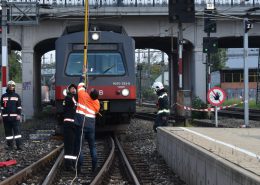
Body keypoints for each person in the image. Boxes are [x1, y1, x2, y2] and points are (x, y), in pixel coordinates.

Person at [74, 73, 100, 173]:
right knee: (92, 146)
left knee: (80, 147)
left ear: (90, 93)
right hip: (91, 127)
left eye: (91, 90)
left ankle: (79, 168)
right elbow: (97, 111)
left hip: (80, 125)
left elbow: (80, 85)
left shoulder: (82, 95)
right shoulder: (97, 102)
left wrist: (83, 75)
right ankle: (94, 167)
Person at [0, 80, 22, 150]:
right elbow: (1, 107)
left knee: (17, 133)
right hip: (6, 118)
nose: (11, 87)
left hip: (15, 118)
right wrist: (1, 115)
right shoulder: (3, 96)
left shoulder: (17, 96)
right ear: (8, 86)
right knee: (8, 133)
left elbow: (19, 107)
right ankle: (10, 146)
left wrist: (19, 114)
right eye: (10, 85)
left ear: (14, 87)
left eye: (13, 86)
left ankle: (18, 146)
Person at [63, 84, 78, 171]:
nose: (74, 90)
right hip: (69, 125)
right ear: (69, 90)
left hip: (73, 124)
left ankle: (72, 164)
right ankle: (68, 165)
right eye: (72, 89)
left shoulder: (73, 98)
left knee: (73, 145)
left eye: (74, 89)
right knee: (69, 145)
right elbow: (74, 101)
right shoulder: (68, 98)